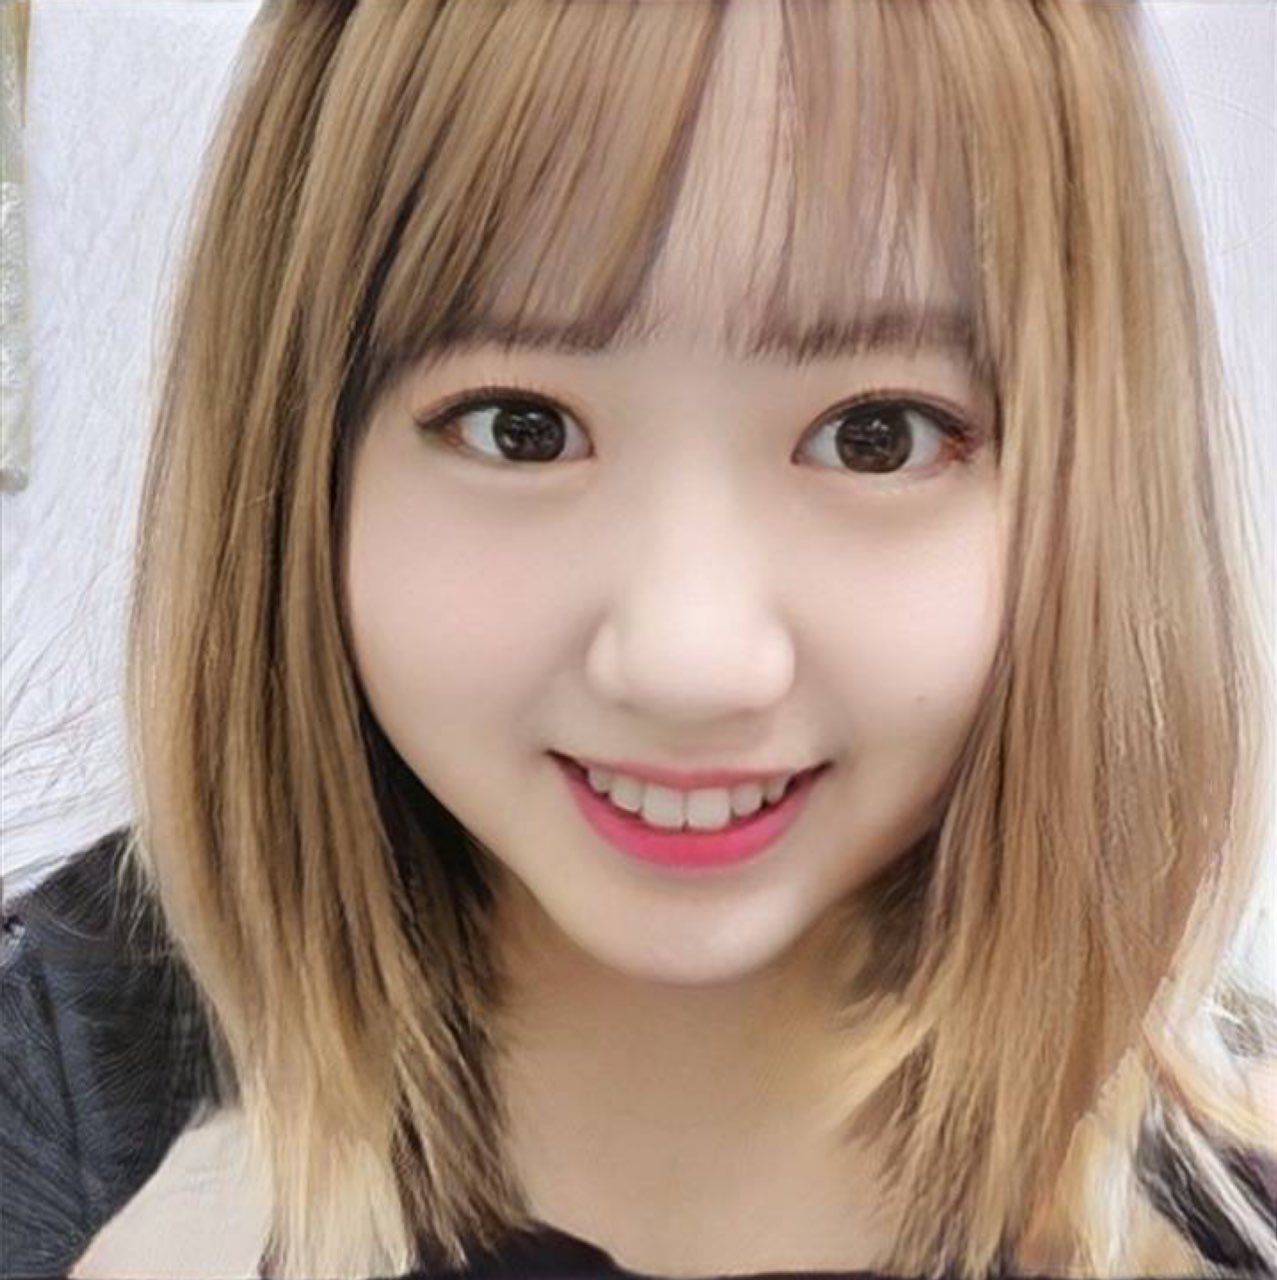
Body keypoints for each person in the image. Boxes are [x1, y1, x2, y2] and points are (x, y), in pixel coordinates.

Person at [2, 0, 1275, 1277]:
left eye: (874, 435)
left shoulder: (1231, 1208)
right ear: (298, 458)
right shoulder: (60, 1097)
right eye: (520, 428)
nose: (687, 661)